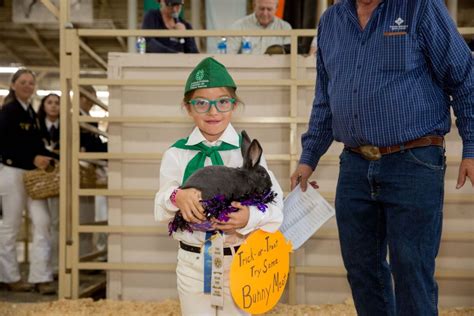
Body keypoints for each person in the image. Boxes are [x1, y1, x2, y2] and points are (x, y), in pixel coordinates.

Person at [291, 0, 474, 315]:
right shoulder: (332, 20)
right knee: (362, 269)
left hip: (414, 160)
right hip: (355, 163)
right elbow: (325, 95)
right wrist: (309, 157)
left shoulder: (421, 8)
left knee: (411, 268)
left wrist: (472, 144)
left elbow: (464, 78)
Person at [154, 57, 284, 315]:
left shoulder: (247, 156)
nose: (213, 112)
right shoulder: (176, 154)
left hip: (242, 263)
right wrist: (177, 197)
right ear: (188, 108)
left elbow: (277, 209)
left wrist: (249, 216)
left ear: (234, 105)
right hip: (192, 264)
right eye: (201, 103)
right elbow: (160, 206)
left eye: (222, 102)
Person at [0, 69, 58, 295]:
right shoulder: (8, 111)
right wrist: (32, 157)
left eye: (31, 83)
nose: (27, 86)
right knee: (11, 226)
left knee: (42, 222)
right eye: (23, 82)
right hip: (11, 172)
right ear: (13, 85)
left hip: (34, 177)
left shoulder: (31, 113)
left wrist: (58, 157)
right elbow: (4, 144)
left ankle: (40, 276)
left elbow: (36, 145)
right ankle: (9, 276)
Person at [37, 93, 60, 276]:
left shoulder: (67, 128)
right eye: (49, 102)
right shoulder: (36, 126)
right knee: (42, 224)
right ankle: (44, 266)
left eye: (57, 103)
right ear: (43, 105)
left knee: (58, 223)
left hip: (60, 179)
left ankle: (57, 265)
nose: (53, 106)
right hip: (38, 180)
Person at [227, 0, 292, 55]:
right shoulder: (239, 26)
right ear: (254, 6)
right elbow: (229, 55)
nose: (265, 13)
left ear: (276, 8)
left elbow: (289, 57)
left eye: (269, 9)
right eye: (262, 9)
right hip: (246, 69)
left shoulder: (285, 27)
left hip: (277, 69)